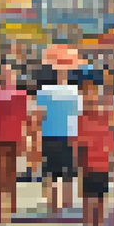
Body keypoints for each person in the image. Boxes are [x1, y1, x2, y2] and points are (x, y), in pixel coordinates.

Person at [36, 52, 83, 217]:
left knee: (64, 173)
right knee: (56, 174)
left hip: (65, 135)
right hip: (55, 134)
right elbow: (39, 114)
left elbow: (79, 115)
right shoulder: (70, 91)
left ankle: (62, 206)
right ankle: (57, 206)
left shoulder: (71, 91)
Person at [76, 73, 114, 226]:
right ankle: (89, 224)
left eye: (91, 93)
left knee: (100, 195)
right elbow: (78, 142)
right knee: (89, 195)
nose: (88, 97)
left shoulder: (105, 115)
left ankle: (98, 224)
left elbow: (112, 136)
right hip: (88, 159)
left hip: (101, 159)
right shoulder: (82, 118)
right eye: (85, 93)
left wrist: (113, 155)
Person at [0, 63, 29, 224]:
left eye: (9, 74)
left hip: (15, 137)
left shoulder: (21, 95)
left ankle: (11, 208)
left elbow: (24, 118)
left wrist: (25, 138)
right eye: (4, 74)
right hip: (0, 138)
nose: (7, 77)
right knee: (0, 176)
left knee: (11, 174)